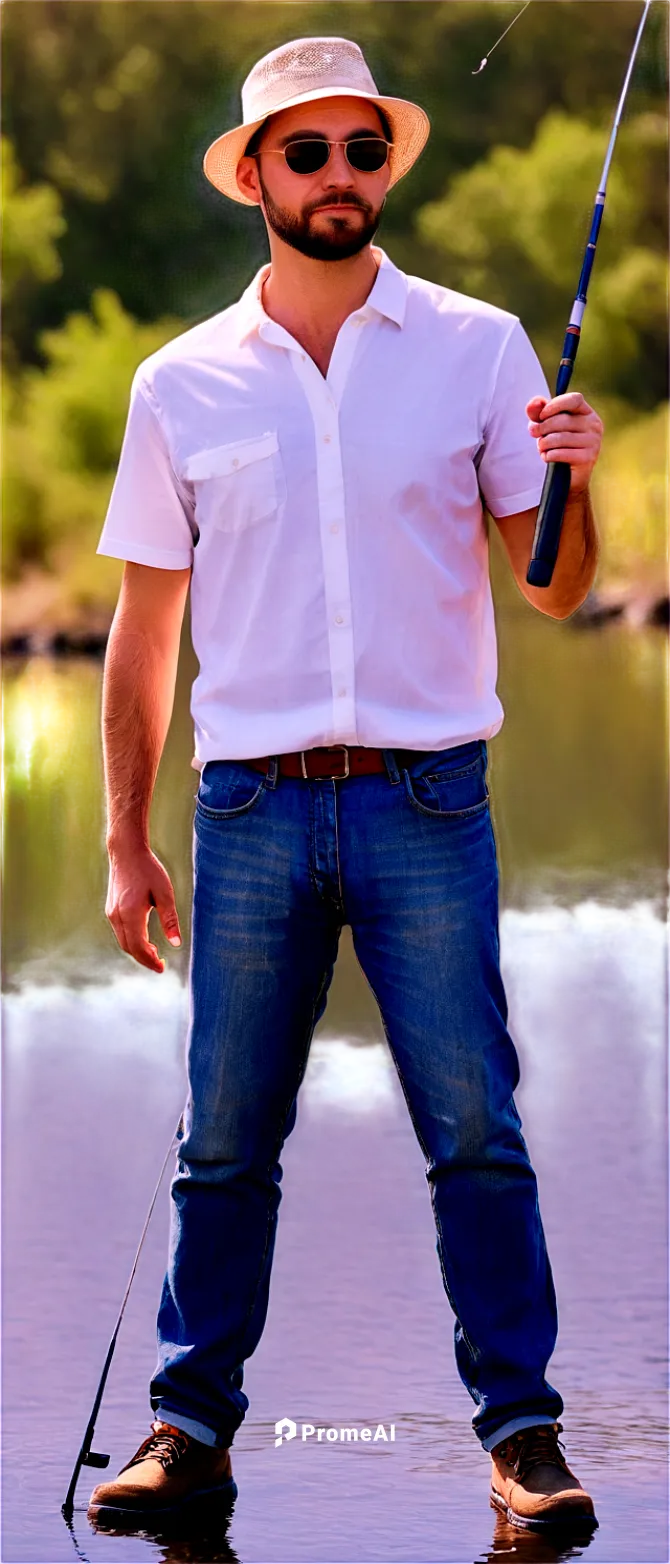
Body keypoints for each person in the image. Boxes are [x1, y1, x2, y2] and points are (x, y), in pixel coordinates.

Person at [89, 36, 604, 1535]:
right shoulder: (179, 380)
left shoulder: (481, 346)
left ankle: (522, 1442)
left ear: (388, 166)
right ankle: (189, 1429)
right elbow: (143, 633)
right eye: (302, 154)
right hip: (246, 810)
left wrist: (583, 471)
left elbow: (558, 587)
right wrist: (126, 842)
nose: (337, 179)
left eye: (359, 152)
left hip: (427, 802)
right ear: (253, 176)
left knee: (475, 1130)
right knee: (222, 1142)